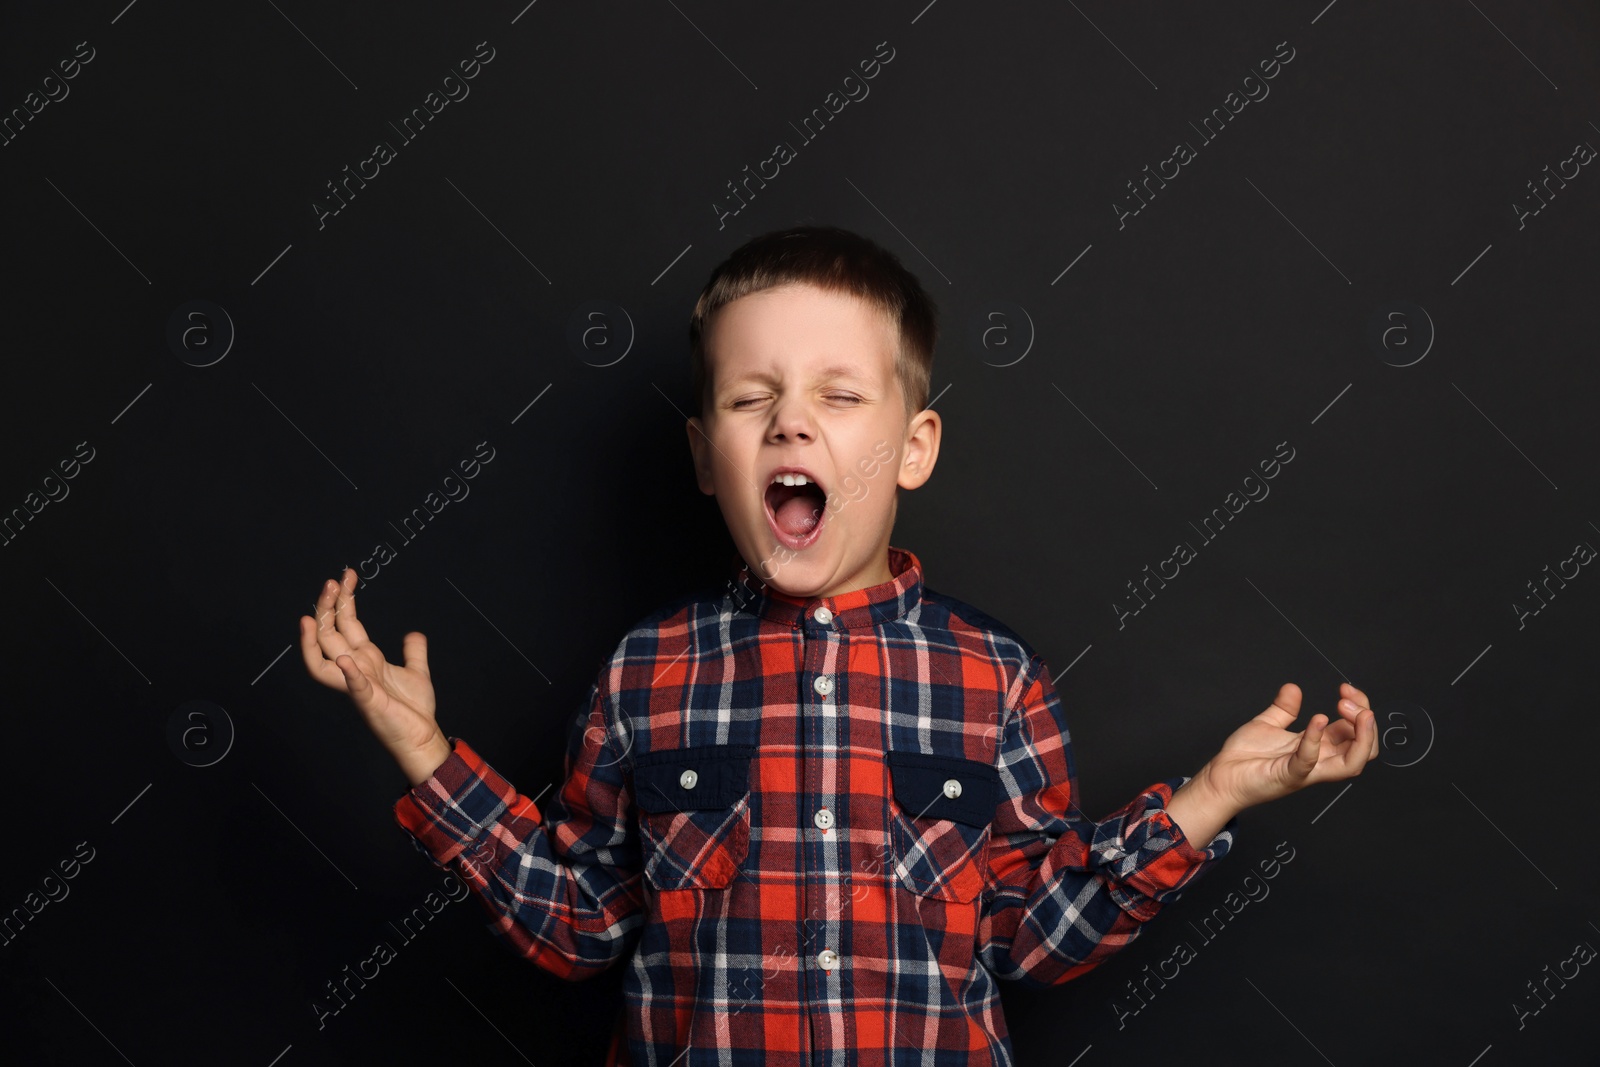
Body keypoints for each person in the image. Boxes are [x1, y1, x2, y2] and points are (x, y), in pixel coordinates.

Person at [298, 225, 1379, 1065]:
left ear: (912, 448)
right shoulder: (645, 671)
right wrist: (427, 755)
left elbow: (1032, 933)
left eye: (838, 394)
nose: (789, 423)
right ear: (704, 456)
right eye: (749, 397)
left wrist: (1209, 797)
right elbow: (581, 923)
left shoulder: (992, 678)